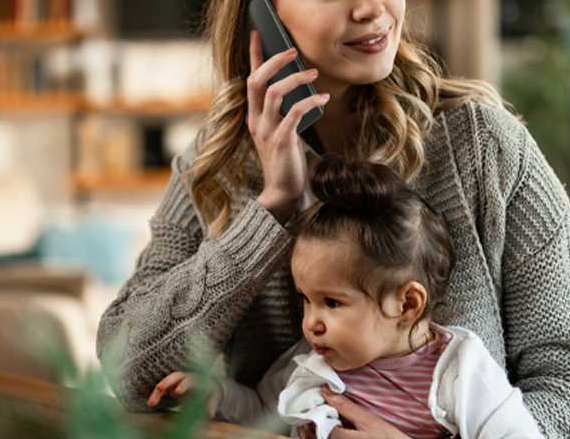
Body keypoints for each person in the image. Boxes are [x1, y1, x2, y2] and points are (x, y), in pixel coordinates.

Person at [96, 0, 570, 438]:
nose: (373, 7)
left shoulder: (480, 143)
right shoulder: (217, 165)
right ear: (263, 20)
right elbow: (129, 370)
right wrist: (273, 211)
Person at [149, 158, 544, 439]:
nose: (310, 322)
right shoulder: (313, 360)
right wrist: (217, 395)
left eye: (332, 303)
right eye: (306, 299)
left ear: (406, 304)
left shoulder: (460, 370)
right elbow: (263, 413)